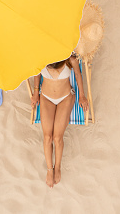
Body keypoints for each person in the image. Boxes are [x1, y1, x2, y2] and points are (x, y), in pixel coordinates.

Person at [30, 52, 89, 188]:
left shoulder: (70, 59)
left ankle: (58, 167)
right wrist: (35, 93)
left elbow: (78, 75)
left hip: (65, 98)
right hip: (46, 98)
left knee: (57, 138)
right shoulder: (42, 57)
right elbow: (37, 74)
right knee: (47, 137)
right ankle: (49, 170)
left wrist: (82, 96)